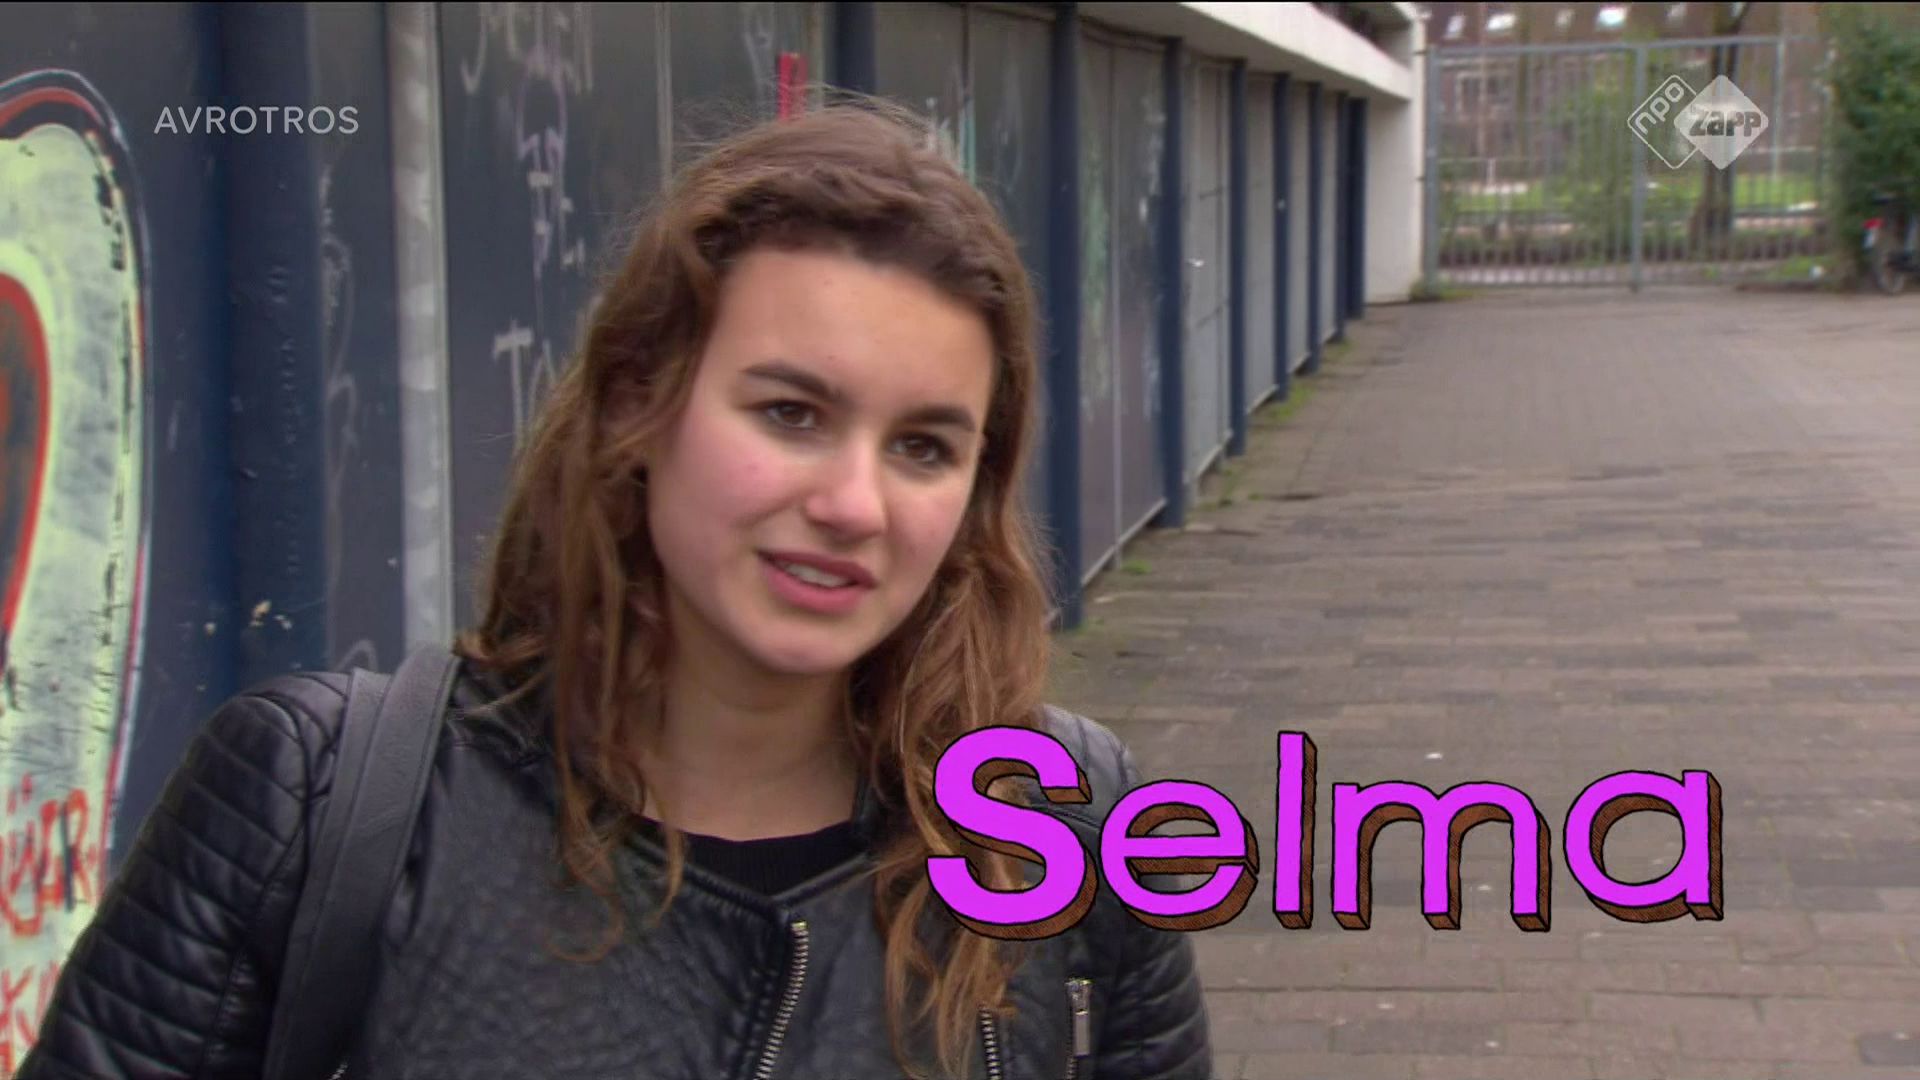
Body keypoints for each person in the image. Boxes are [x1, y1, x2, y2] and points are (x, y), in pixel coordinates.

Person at [18, 102, 1212, 1080]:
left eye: (923, 447)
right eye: (791, 414)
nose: (856, 503)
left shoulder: (1064, 829)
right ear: (644, 401)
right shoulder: (317, 804)